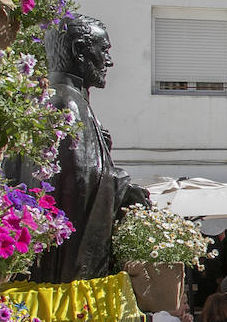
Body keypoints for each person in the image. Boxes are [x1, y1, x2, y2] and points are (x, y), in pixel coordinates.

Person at [12, 14, 148, 281]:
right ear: (79, 51)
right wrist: (124, 189)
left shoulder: (55, 100)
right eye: (103, 50)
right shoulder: (67, 105)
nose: (109, 61)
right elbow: (76, 189)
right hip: (63, 278)